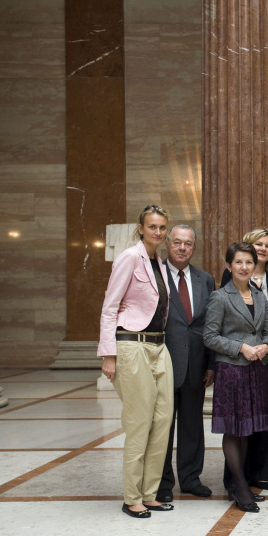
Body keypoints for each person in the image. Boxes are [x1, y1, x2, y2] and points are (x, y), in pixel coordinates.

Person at [98, 204, 175, 519]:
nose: (158, 232)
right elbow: (109, 307)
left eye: (162, 227)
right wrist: (109, 354)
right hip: (132, 345)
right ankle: (132, 498)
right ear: (141, 228)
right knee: (139, 422)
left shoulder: (159, 262)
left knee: (163, 420)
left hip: (159, 345)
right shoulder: (129, 257)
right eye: (152, 226)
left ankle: (149, 494)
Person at [203, 242, 268, 513]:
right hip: (231, 371)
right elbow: (209, 336)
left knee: (248, 429)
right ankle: (241, 487)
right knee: (234, 430)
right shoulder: (220, 297)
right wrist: (240, 347)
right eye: (238, 262)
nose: (244, 267)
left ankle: (238, 482)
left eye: (249, 262)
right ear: (229, 266)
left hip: (257, 370)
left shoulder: (259, 297)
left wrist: (267, 347)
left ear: (255, 265)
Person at [220, 228, 268, 492]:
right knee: (237, 425)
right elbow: (217, 329)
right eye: (258, 244)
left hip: (264, 362)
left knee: (258, 421)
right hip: (235, 365)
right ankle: (235, 481)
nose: (262, 249)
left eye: (267, 246)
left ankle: (256, 476)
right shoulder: (227, 284)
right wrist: (242, 348)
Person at [157, 225, 215, 503]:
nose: (182, 248)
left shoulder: (206, 280)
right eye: (177, 242)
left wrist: (211, 364)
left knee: (192, 426)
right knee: (162, 428)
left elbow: (212, 324)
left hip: (196, 365)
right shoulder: (154, 274)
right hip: (163, 363)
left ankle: (191, 478)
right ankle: (162, 482)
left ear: (194, 247)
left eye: (188, 243)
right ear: (167, 244)